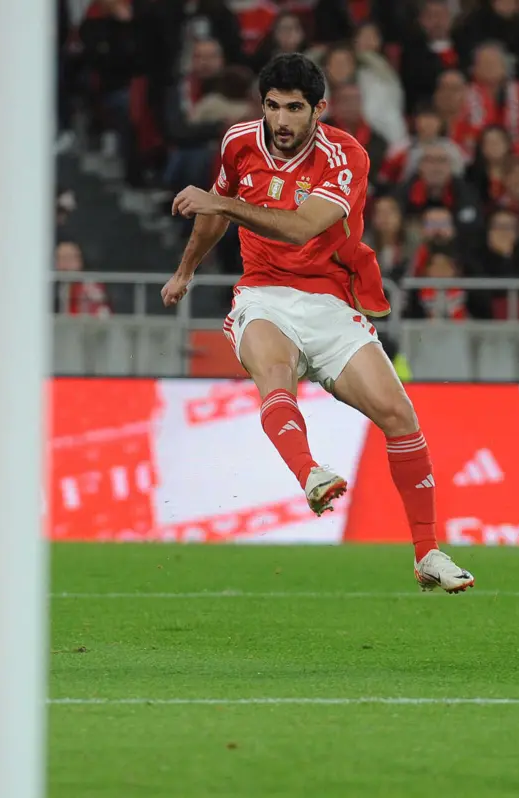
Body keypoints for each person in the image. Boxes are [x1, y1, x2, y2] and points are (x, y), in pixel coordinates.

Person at [161, 54, 474, 593]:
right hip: (262, 293)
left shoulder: (345, 154)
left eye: (294, 109)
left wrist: (223, 202)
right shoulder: (239, 141)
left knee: (399, 414)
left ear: (319, 110)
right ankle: (311, 473)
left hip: (330, 300)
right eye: (272, 106)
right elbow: (216, 212)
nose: (281, 120)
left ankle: (428, 554)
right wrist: (186, 269)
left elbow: (303, 227)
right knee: (274, 370)